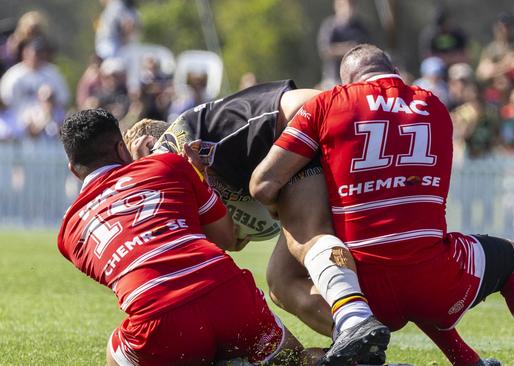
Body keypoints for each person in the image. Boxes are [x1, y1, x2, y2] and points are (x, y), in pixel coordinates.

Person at [250, 44, 514, 366]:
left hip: (361, 288)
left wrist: (295, 211)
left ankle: (352, 332)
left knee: (282, 282)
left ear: (345, 83)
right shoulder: (435, 106)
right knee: (508, 258)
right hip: (434, 282)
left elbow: (263, 184)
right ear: (395, 72)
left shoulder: (328, 103)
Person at [138, 80, 390, 365]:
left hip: (316, 124)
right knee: (281, 283)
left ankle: (354, 318)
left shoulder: (171, 154)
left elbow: (313, 103)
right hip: (308, 139)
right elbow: (230, 240)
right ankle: (357, 345)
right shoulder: (188, 176)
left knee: (304, 234)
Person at [57, 109, 322, 366]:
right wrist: (197, 178)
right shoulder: (167, 165)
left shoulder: (69, 232)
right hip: (228, 294)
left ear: (73, 169)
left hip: (160, 321)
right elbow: (225, 237)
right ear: (120, 148)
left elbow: (136, 269)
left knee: (116, 349)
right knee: (294, 360)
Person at [318, 0, 370, 85]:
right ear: (336, 6)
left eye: (351, 5)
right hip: (334, 78)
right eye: (344, 5)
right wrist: (347, 49)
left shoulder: (361, 27)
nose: (348, 8)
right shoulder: (330, 26)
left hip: (356, 78)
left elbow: (368, 49)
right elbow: (325, 50)